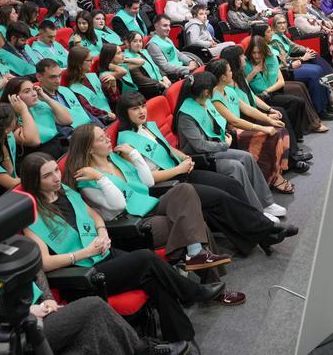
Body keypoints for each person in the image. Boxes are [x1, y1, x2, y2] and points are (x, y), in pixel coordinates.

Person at [20, 152, 226, 346]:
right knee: (147, 259)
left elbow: (95, 216)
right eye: (48, 175)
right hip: (83, 276)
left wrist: (101, 233)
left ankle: (182, 340)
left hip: (104, 255)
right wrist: (85, 253)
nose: (56, 177)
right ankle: (192, 292)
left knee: (155, 280)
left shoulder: (65, 191)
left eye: (56, 170)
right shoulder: (31, 216)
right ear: (34, 181)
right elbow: (45, 263)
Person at [0, 192, 172, 355]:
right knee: (93, 306)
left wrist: (48, 298)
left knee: (90, 338)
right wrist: (22, 314)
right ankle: (142, 348)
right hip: (16, 333)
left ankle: (141, 348)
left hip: (43, 315)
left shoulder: (2, 244)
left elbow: (35, 268)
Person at [115, 91, 299, 255]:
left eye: (142, 106)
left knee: (231, 185)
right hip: (167, 186)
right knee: (219, 199)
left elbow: (168, 149)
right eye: (135, 109)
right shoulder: (126, 144)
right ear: (125, 113)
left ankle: (262, 236)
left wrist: (185, 158)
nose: (141, 111)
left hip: (181, 172)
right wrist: (178, 169)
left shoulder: (147, 127)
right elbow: (146, 179)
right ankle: (267, 230)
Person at [64, 124, 234, 270]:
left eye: (106, 135)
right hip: (134, 223)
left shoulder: (115, 158)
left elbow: (148, 181)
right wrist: (100, 178)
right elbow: (119, 205)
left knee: (184, 190)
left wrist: (135, 155)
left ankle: (196, 255)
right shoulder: (86, 181)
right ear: (89, 149)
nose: (108, 139)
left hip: (149, 205)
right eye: (102, 139)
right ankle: (209, 277)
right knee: (196, 225)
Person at [173, 72, 287, 220]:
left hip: (213, 148)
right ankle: (256, 213)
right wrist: (223, 145)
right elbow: (199, 145)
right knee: (236, 166)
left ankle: (266, 203)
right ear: (207, 92)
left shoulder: (204, 102)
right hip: (199, 158)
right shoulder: (186, 115)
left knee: (247, 157)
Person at [207, 59, 298, 192]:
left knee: (280, 130)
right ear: (223, 77)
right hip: (231, 133)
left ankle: (276, 173)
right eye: (230, 71)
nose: (232, 73)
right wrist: (263, 127)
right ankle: (273, 178)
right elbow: (234, 121)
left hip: (241, 127)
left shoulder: (227, 90)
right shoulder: (215, 98)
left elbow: (247, 108)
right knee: (270, 136)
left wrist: (269, 119)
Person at [0, 76, 73, 159]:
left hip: (60, 144)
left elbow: (68, 120)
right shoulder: (10, 119)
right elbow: (34, 141)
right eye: (27, 91)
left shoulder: (38, 106)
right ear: (14, 97)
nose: (34, 93)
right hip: (39, 157)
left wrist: (46, 98)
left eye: (33, 89)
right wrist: (23, 111)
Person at [65, 46, 115, 125]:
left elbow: (112, 98)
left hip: (112, 113)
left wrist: (113, 86)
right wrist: (107, 114)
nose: (92, 63)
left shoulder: (93, 76)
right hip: (102, 120)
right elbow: (90, 110)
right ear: (79, 63)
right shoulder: (73, 89)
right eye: (89, 60)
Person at [147, 14, 201, 80]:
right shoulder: (153, 45)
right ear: (156, 27)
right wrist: (187, 68)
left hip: (182, 69)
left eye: (169, 26)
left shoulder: (167, 39)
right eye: (165, 26)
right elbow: (165, 67)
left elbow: (179, 55)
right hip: (173, 75)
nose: (169, 29)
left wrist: (190, 61)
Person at [123, 31, 171, 98]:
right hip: (148, 88)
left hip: (159, 83)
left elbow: (155, 66)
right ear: (127, 43)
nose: (138, 44)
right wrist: (160, 83)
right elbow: (139, 78)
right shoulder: (127, 58)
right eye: (135, 41)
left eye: (140, 41)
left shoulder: (144, 52)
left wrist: (164, 77)